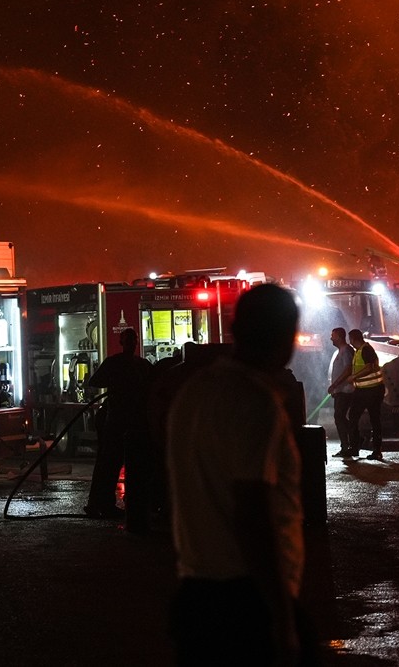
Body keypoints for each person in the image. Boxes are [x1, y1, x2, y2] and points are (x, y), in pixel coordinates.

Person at [166, 283, 313, 666]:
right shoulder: (255, 401)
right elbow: (252, 511)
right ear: (287, 337)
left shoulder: (193, 392)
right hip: (247, 603)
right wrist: (282, 617)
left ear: (235, 329)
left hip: (196, 594)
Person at [84, 327, 154, 528]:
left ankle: (107, 503)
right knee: (111, 464)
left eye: (133, 340)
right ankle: (103, 504)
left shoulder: (133, 365)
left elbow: (95, 381)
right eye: (129, 340)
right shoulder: (137, 365)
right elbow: (95, 381)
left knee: (114, 464)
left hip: (125, 421)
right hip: (121, 421)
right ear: (124, 342)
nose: (132, 343)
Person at [348, 329, 386, 461]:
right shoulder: (361, 350)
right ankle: (357, 446)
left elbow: (370, 367)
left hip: (371, 391)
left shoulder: (365, 350)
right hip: (366, 390)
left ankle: (372, 449)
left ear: (352, 339)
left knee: (371, 419)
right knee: (358, 417)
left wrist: (354, 377)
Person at [325, 327, 358, 459]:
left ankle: (349, 444)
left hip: (346, 391)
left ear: (339, 336)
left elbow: (348, 369)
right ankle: (351, 443)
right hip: (339, 391)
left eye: (332, 335)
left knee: (339, 417)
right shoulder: (338, 352)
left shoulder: (346, 351)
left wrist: (335, 384)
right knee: (340, 417)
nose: (331, 338)